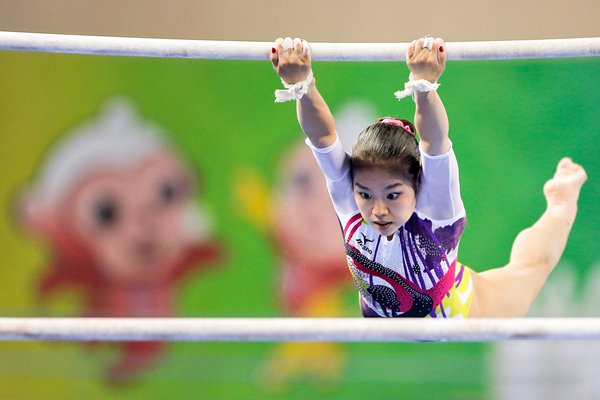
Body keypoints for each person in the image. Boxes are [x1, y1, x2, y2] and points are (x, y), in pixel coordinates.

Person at [269, 36, 588, 318]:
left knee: (530, 267)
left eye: (393, 195)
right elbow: (322, 136)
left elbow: (434, 142)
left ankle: (561, 202)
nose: (378, 209)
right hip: (389, 312)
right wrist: (301, 85)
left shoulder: (436, 209)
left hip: (466, 309)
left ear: (418, 186)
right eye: (366, 195)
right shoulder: (348, 200)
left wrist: (424, 86)